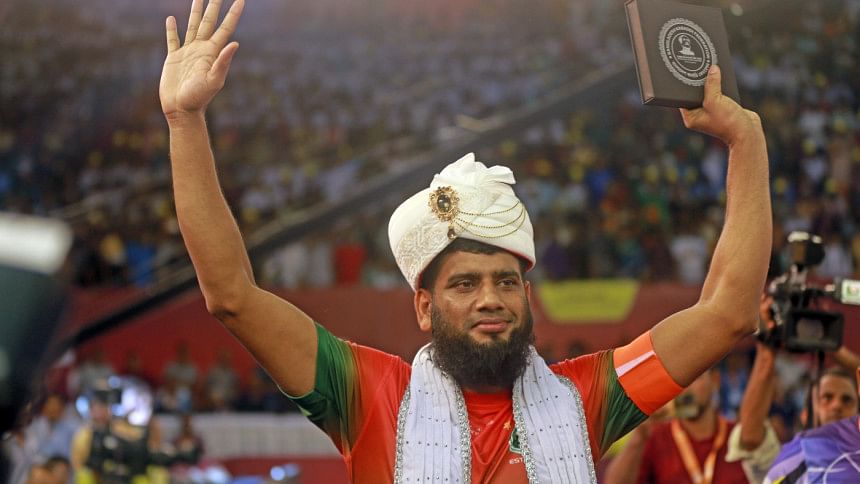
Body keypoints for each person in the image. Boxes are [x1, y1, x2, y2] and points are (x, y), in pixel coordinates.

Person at [158, 0, 772, 481]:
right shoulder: (368, 395)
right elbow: (232, 295)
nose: (490, 298)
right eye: (464, 283)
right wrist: (185, 121)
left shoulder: (588, 397)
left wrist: (746, 142)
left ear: (527, 295)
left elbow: (728, 314)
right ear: (424, 307)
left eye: (506, 280)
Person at [602, 368, 748, 484]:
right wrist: (639, 435)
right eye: (679, 380)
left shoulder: (741, 436)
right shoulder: (655, 437)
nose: (686, 388)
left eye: (695, 377)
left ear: (715, 381)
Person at [763, 367, 860, 483]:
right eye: (827, 398)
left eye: (847, 400)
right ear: (805, 415)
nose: (837, 406)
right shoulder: (796, 455)